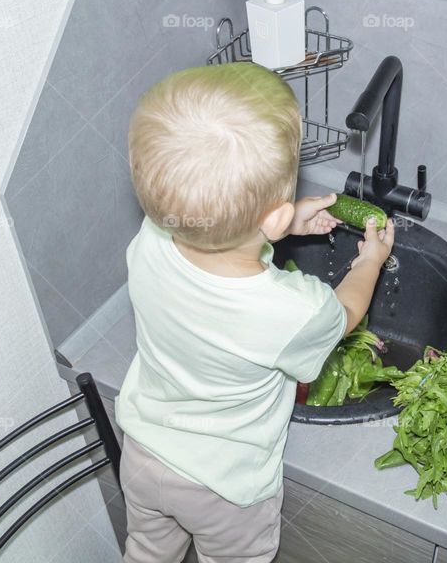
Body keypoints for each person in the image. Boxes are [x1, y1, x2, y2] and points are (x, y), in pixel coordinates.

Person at [114, 62, 394, 563]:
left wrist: (274, 228)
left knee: (148, 553)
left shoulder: (152, 240)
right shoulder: (294, 310)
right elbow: (346, 312)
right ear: (278, 213)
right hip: (225, 489)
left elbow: (213, 242)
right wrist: (370, 261)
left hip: (143, 453)